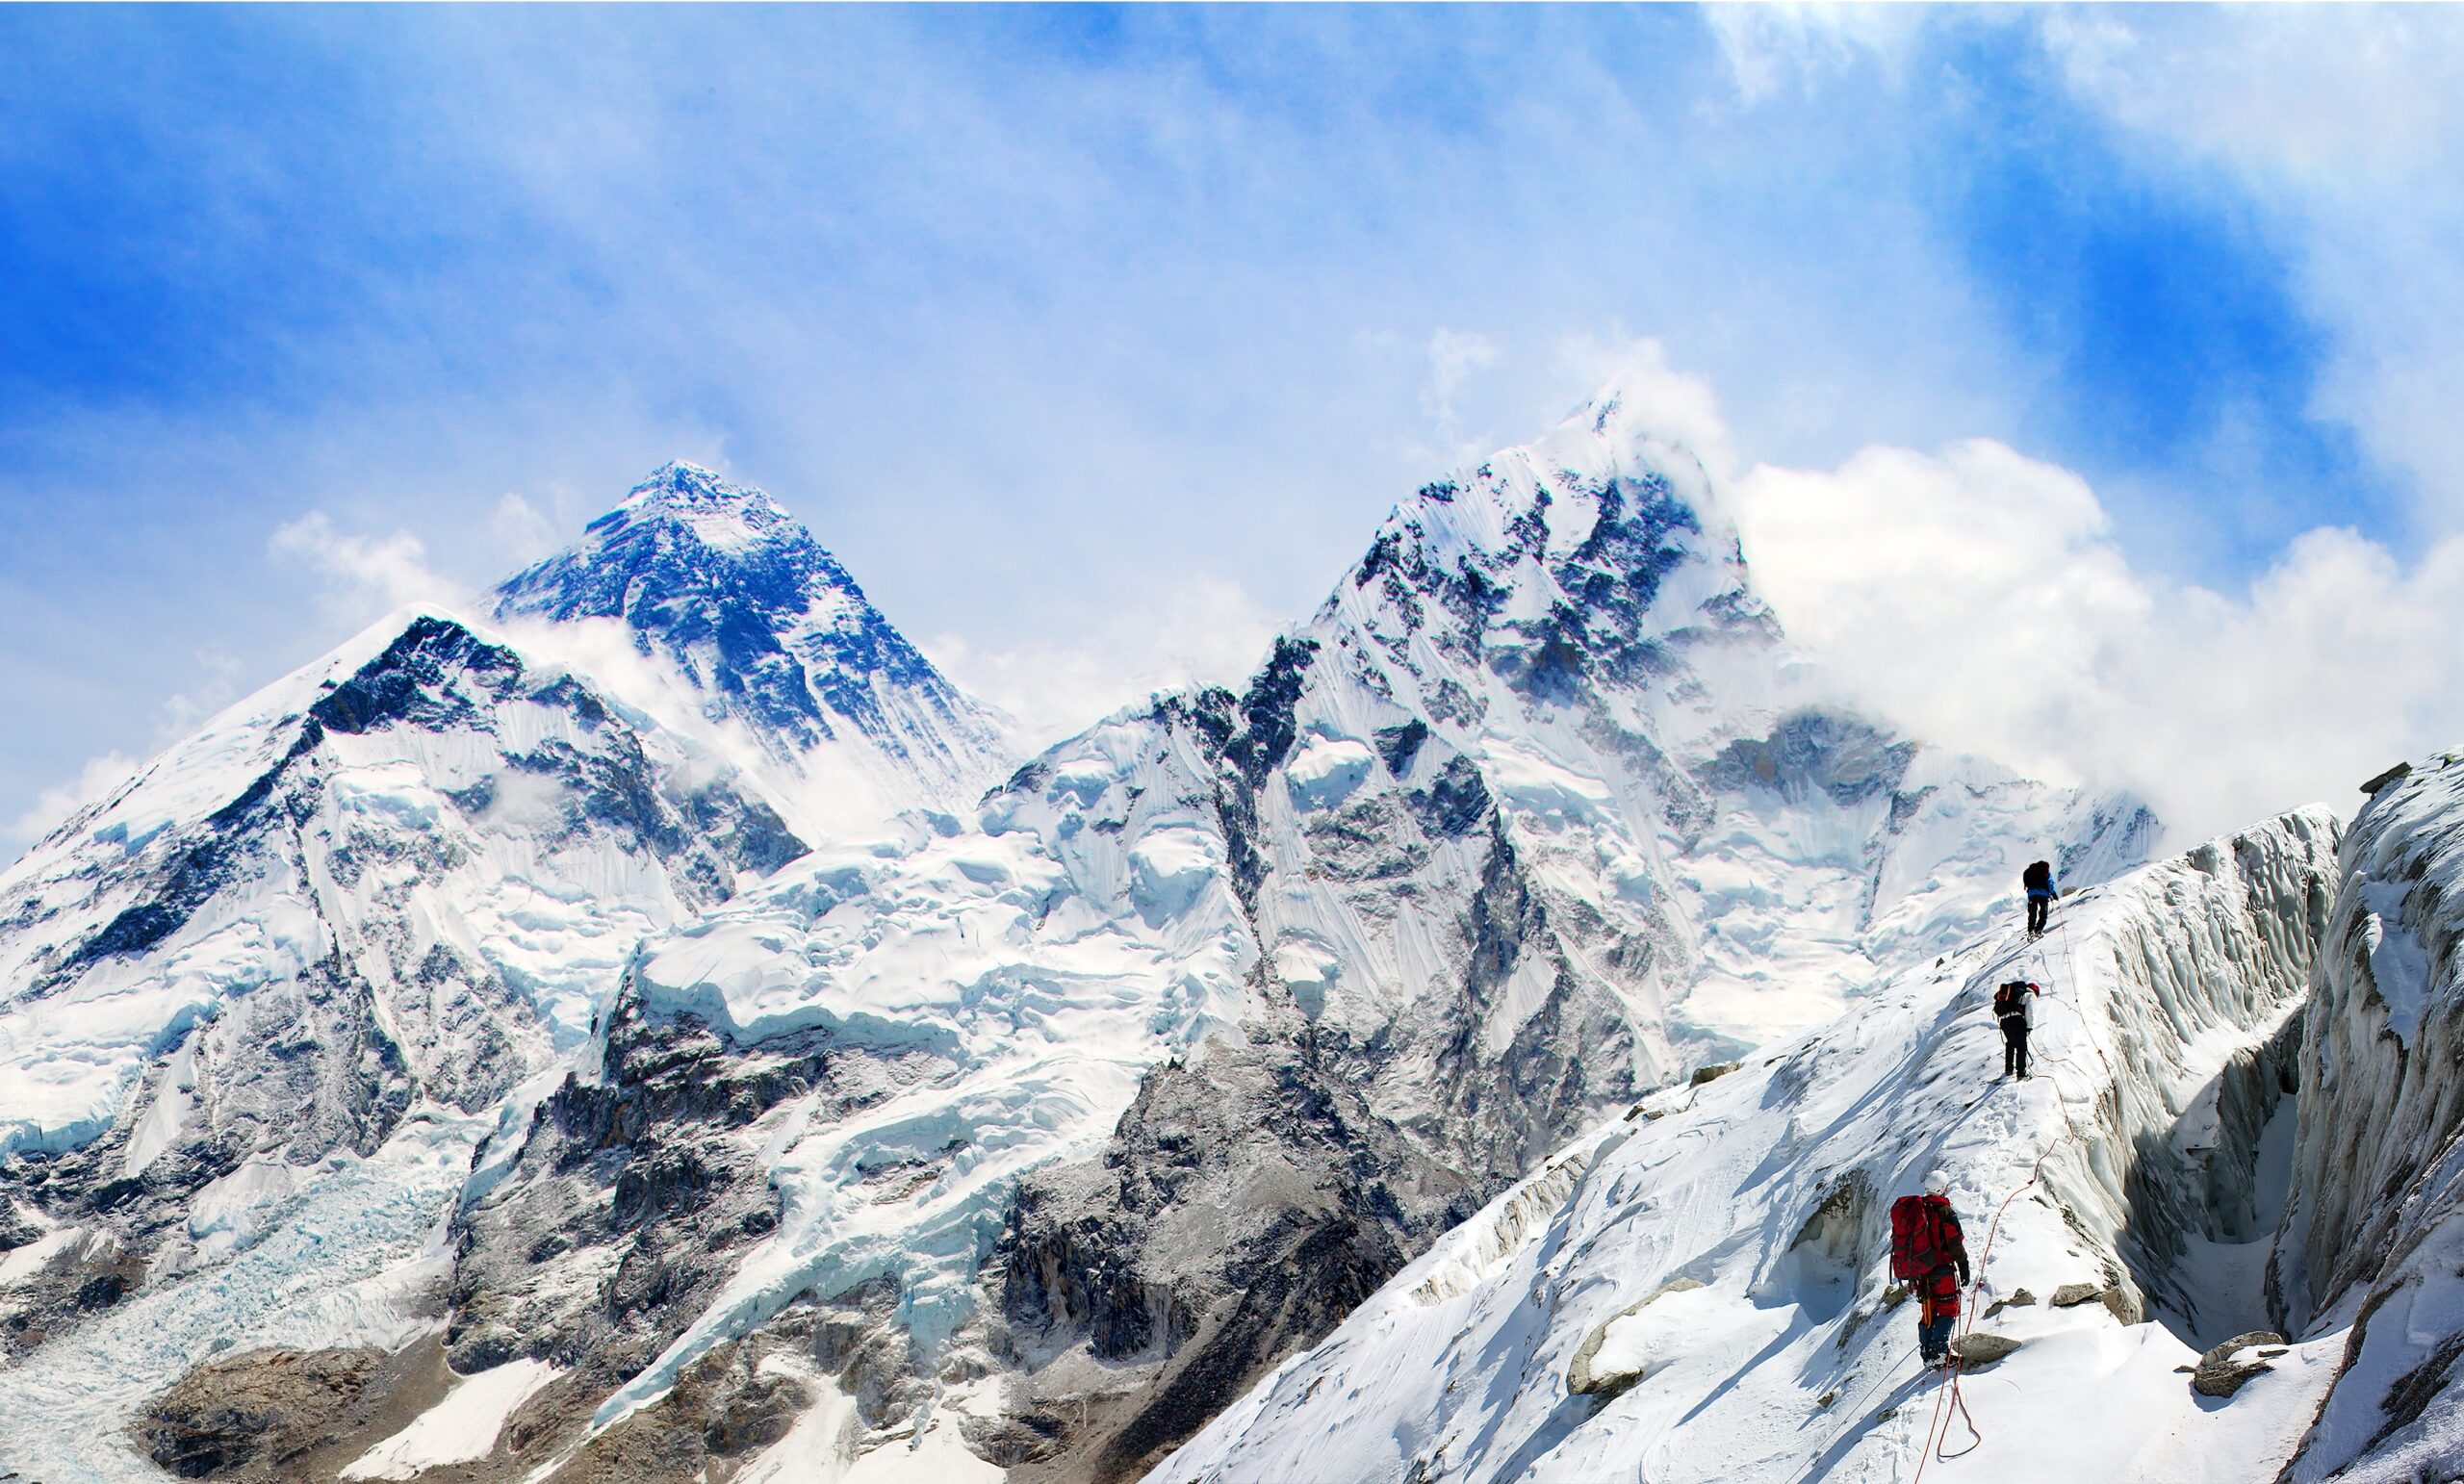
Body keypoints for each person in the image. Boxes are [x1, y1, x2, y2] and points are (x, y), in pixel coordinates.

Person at [1890, 1170, 1972, 1369]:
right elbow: (1954, 1242)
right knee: (1948, 1307)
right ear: (1943, 1188)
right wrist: (1964, 1265)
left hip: (1921, 1271)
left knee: (1929, 1309)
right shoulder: (1944, 1211)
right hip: (1942, 1269)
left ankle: (1928, 1353)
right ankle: (1939, 1352)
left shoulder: (1918, 1210)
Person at [1995, 979, 2041, 1079]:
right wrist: (2029, 1027)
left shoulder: (2017, 994)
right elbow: (2030, 1011)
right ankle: (2021, 1074)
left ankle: (2008, 1070)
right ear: (2035, 991)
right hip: (2016, 1020)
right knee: (2021, 1047)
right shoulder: (2030, 995)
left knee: (2011, 1043)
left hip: (2004, 1021)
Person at [2023, 858, 2055, 936]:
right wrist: (2053, 893)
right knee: (2043, 913)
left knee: (2032, 913)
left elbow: (2026, 883)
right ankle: (2038, 930)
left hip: (2032, 894)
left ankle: (2031, 930)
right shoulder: (2046, 872)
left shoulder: (2030, 871)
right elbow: (2050, 883)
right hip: (2043, 895)